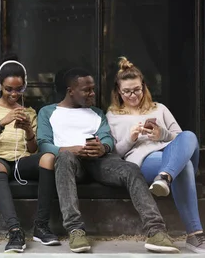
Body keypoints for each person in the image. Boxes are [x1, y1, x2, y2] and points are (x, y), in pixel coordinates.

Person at [37, 68, 178, 254]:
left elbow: (107, 138)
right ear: (71, 91)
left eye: (93, 89)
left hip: (100, 161)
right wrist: (72, 149)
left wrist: (102, 147)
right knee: (63, 158)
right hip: (71, 162)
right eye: (86, 90)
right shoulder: (48, 112)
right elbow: (44, 144)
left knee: (130, 169)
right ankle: (75, 230)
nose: (92, 93)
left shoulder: (97, 113)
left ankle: (156, 230)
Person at [107, 57, 205, 253]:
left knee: (189, 135)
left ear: (143, 87)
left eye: (136, 89)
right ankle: (195, 235)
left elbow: (183, 140)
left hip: (171, 154)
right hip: (143, 160)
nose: (132, 95)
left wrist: (161, 134)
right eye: (126, 91)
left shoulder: (159, 108)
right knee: (185, 166)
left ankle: (165, 177)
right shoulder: (113, 116)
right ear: (118, 92)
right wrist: (131, 138)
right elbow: (115, 154)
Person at [0, 59, 59, 253]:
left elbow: (32, 150)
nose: (14, 94)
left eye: (19, 89)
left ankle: (41, 226)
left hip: (20, 161)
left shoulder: (29, 111)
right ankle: (14, 230)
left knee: (48, 158)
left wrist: (29, 131)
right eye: (8, 89)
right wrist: (1, 124)